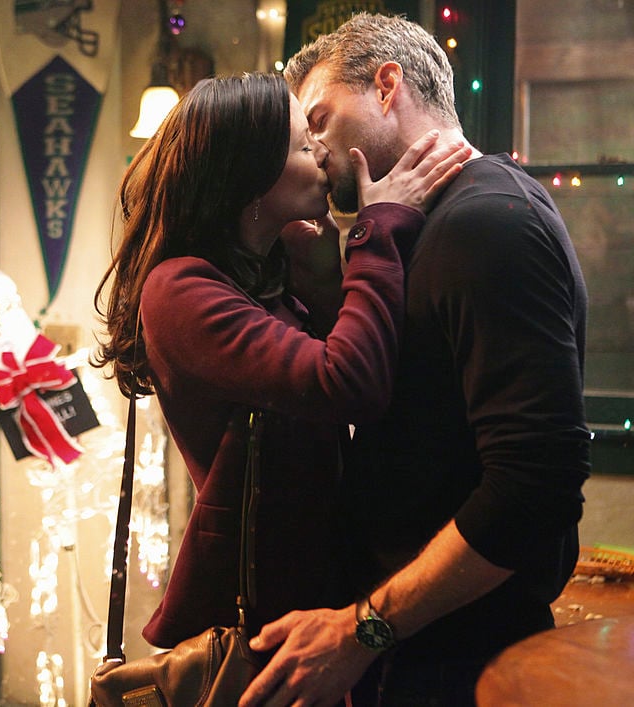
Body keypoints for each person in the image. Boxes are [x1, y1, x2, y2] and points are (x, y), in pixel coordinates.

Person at [240, 13, 590, 707]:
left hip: (462, 661)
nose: (313, 149)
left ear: (387, 85)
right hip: (420, 650)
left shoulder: (487, 221)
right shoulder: (429, 223)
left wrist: (363, 630)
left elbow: (536, 484)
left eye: (319, 118)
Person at [93, 72, 469, 653]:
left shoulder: (269, 272)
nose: (321, 153)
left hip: (316, 596)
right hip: (259, 626)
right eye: (301, 144)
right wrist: (378, 228)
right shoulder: (180, 290)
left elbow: (361, 361)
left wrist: (324, 273)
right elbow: (347, 382)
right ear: (250, 178)